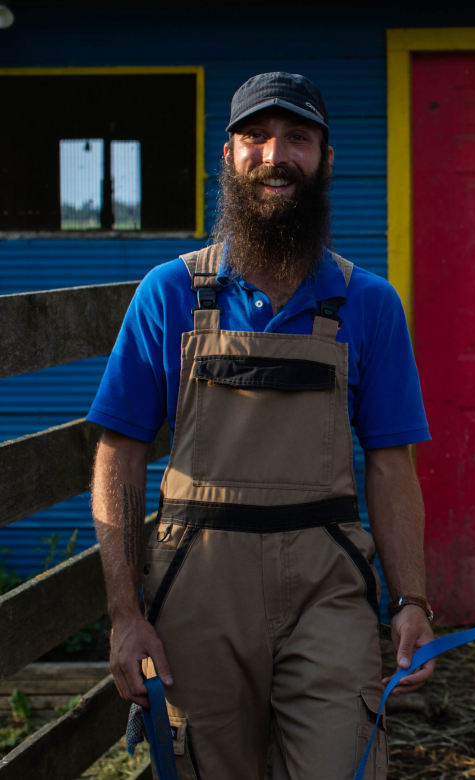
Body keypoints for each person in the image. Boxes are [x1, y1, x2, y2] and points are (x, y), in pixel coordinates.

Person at [89, 72, 435, 779]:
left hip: (326, 585)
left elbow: (393, 466)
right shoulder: (173, 293)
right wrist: (126, 613)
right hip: (198, 585)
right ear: (229, 155)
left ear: (327, 160)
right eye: (256, 137)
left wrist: (412, 601)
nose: (275, 155)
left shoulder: (367, 304)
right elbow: (118, 455)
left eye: (297, 139)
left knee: (345, 762)